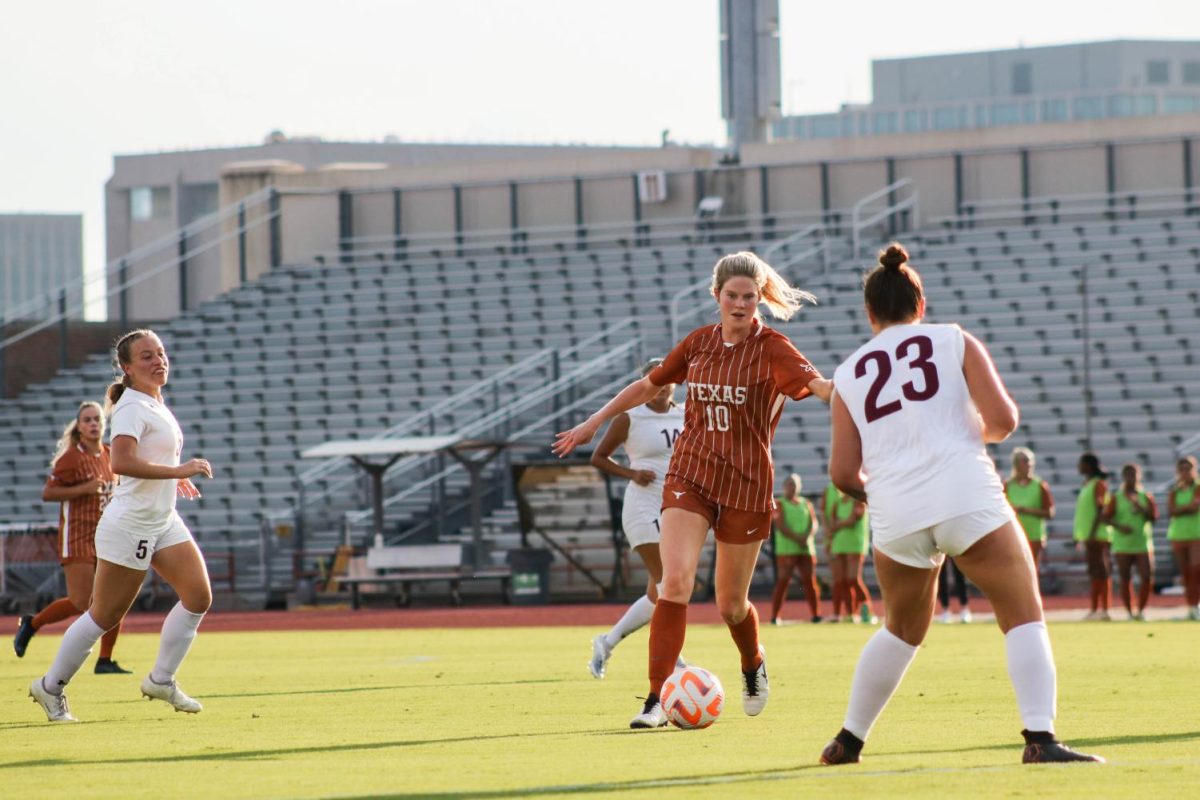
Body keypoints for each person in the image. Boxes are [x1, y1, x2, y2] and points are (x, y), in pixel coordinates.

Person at [818, 243, 1101, 766]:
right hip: (964, 493)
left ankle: (848, 741)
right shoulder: (952, 339)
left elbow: (840, 473)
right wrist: (973, 435)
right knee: (1022, 614)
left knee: (900, 630)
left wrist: (879, 493)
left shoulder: (847, 373)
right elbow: (1003, 419)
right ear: (920, 303)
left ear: (869, 312)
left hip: (895, 514)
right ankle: (1040, 738)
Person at [553, 251, 833, 729]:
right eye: (731, 296)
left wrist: (860, 393)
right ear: (717, 296)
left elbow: (821, 388)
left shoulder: (774, 349)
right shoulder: (699, 343)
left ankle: (752, 663)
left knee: (730, 604)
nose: (740, 304)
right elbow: (646, 387)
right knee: (674, 583)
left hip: (745, 484)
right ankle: (656, 700)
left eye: (749, 296)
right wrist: (592, 422)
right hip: (691, 475)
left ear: (759, 298)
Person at [28, 329, 214, 723]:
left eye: (161, 353)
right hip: (131, 524)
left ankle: (161, 680)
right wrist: (178, 469)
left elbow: (147, 457)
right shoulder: (131, 407)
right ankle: (49, 687)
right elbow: (121, 463)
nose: (158, 360)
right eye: (147, 356)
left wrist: (173, 477)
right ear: (127, 368)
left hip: (162, 520)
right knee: (102, 616)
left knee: (198, 596)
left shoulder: (155, 402)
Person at [12, 402, 129, 673]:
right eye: (87, 420)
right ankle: (33, 624)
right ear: (79, 426)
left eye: (97, 419)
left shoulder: (111, 456)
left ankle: (105, 660)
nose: (93, 424)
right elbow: (48, 493)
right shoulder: (71, 459)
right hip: (77, 535)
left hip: (107, 535)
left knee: (116, 598)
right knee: (80, 600)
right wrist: (84, 488)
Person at [587, 358, 685, 678]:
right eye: (653, 383)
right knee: (669, 582)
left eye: (666, 382)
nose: (660, 389)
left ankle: (607, 642)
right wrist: (630, 472)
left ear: (675, 382)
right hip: (642, 505)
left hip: (674, 508)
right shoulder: (630, 417)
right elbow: (598, 457)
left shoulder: (685, 413)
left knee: (658, 592)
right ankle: (673, 657)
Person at [1104, 463, 1156, 621]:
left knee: (1146, 576)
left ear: (1139, 476)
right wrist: (1120, 526)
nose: (1131, 478)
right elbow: (1105, 517)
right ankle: (1129, 611)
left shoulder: (1145, 497)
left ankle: (1141, 610)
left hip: (1142, 542)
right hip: (1122, 544)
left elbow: (1153, 518)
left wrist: (1140, 507)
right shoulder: (1116, 498)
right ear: (1124, 477)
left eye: (1134, 474)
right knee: (1125, 577)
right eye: (1128, 475)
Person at [769, 474, 821, 624]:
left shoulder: (806, 503)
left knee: (809, 581)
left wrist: (807, 536)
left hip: (806, 548)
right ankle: (775, 615)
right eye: (789, 484)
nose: (792, 487)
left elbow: (814, 523)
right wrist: (799, 538)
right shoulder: (780, 503)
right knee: (783, 581)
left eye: (795, 484)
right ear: (784, 486)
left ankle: (816, 614)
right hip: (787, 549)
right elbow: (780, 525)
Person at [824, 482, 876, 624]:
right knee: (841, 581)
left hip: (855, 544)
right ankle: (849, 613)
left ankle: (867, 608)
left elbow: (853, 520)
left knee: (853, 578)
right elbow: (832, 522)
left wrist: (838, 524)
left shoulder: (858, 501)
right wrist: (840, 525)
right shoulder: (838, 503)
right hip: (839, 543)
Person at [1074, 453, 1112, 621]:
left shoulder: (1098, 484)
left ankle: (1103, 609)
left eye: (1081, 463)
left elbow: (1100, 510)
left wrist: (1092, 533)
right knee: (1095, 571)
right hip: (1090, 535)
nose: (1078, 466)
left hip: (1097, 535)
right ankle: (1096, 608)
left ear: (1088, 466)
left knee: (1100, 571)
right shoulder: (1088, 484)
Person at [1004, 447, 1054, 570]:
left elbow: (1049, 513)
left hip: (1034, 536)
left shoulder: (1040, 485)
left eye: (1030, 461)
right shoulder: (1007, 486)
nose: (1029, 464)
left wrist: (1026, 510)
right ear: (1016, 464)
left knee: (1031, 569)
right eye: (1025, 461)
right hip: (1013, 536)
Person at [1166, 456, 1200, 620]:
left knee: (1196, 571)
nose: (1185, 472)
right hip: (1178, 534)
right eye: (1182, 469)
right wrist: (1184, 508)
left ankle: (1197, 605)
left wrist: (1181, 509)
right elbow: (1171, 511)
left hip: (1196, 534)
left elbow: (1194, 509)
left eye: (1188, 469)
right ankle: (1191, 607)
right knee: (1185, 573)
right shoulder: (1175, 490)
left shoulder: (1198, 488)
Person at [936, 557, 972, 624]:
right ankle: (945, 610)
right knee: (941, 578)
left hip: (954, 548)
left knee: (960, 575)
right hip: (940, 548)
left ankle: (964, 609)